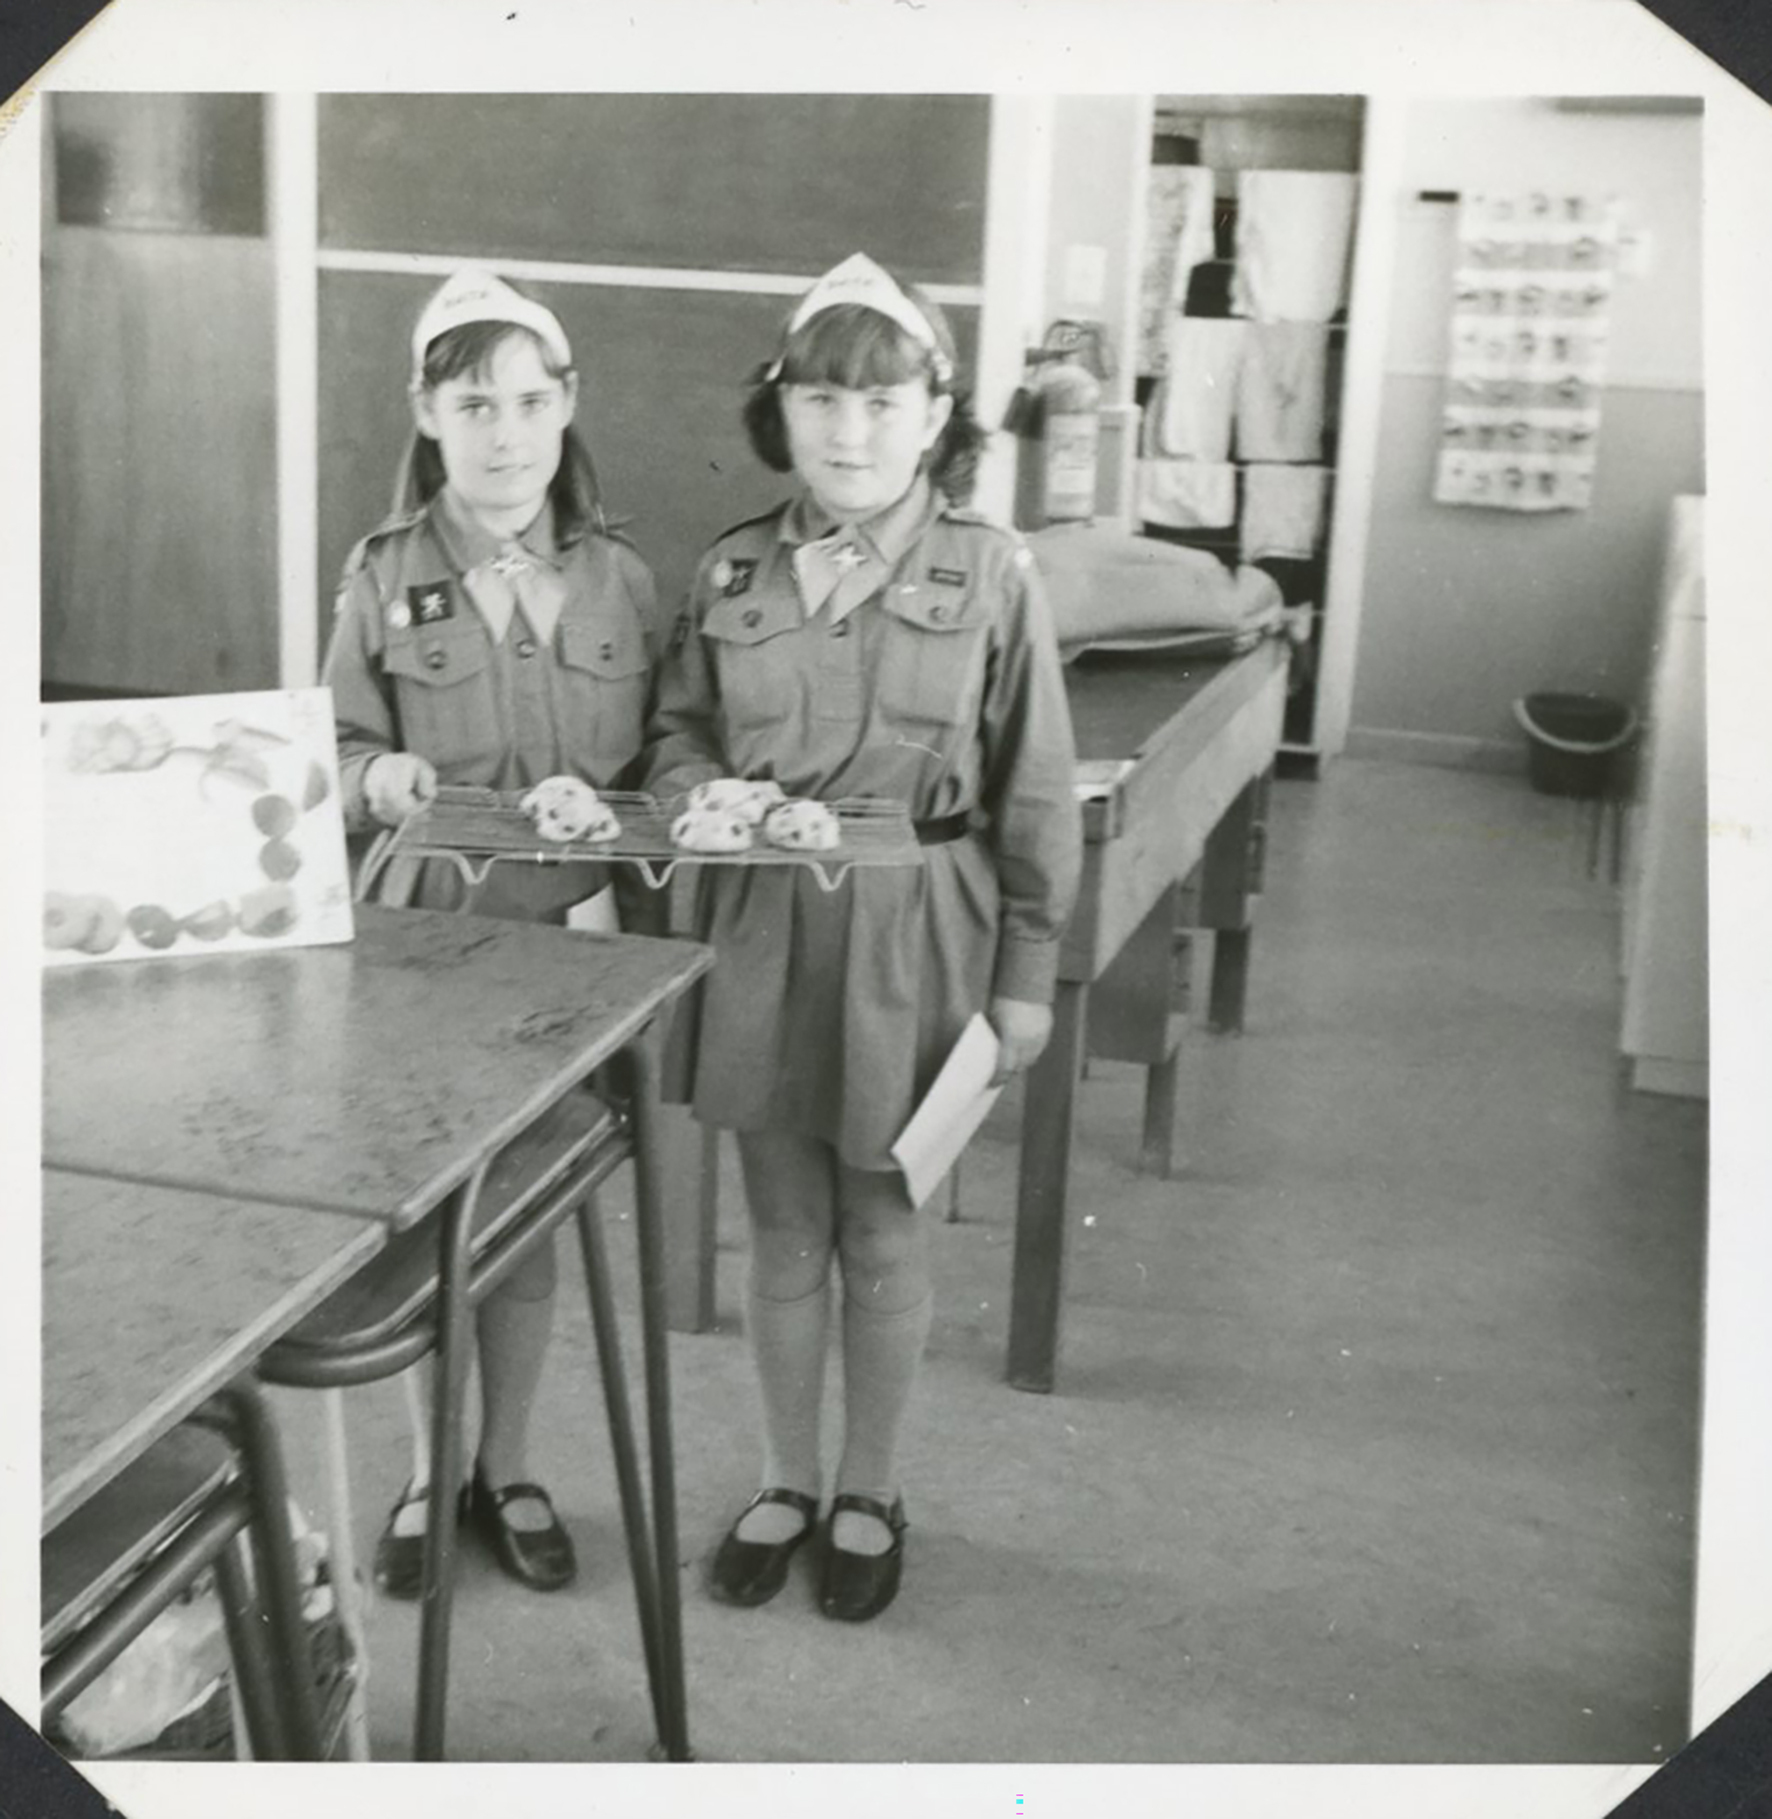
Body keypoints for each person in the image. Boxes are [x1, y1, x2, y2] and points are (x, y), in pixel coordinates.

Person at [644, 252, 1082, 1622]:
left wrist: (1025, 977)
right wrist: (690, 794)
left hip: (920, 938)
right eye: (821, 400)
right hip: (765, 933)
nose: (848, 432)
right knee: (780, 1233)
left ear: (936, 414)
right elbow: (677, 733)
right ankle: (784, 1477)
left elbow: (1038, 783)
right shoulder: (727, 570)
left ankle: (871, 1489)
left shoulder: (993, 571)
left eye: (882, 405)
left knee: (882, 1229)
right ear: (780, 410)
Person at [324, 267, 666, 1598]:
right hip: (427, 956)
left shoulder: (623, 579)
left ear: (567, 406)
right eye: (475, 405)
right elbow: (337, 744)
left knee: (522, 1224)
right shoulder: (383, 575)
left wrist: (623, 806)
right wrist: (375, 779)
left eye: (530, 402)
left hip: (573, 957)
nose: (507, 435)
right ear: (426, 414)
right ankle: (428, 1470)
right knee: (434, 1229)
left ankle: (508, 1465)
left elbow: (666, 764)